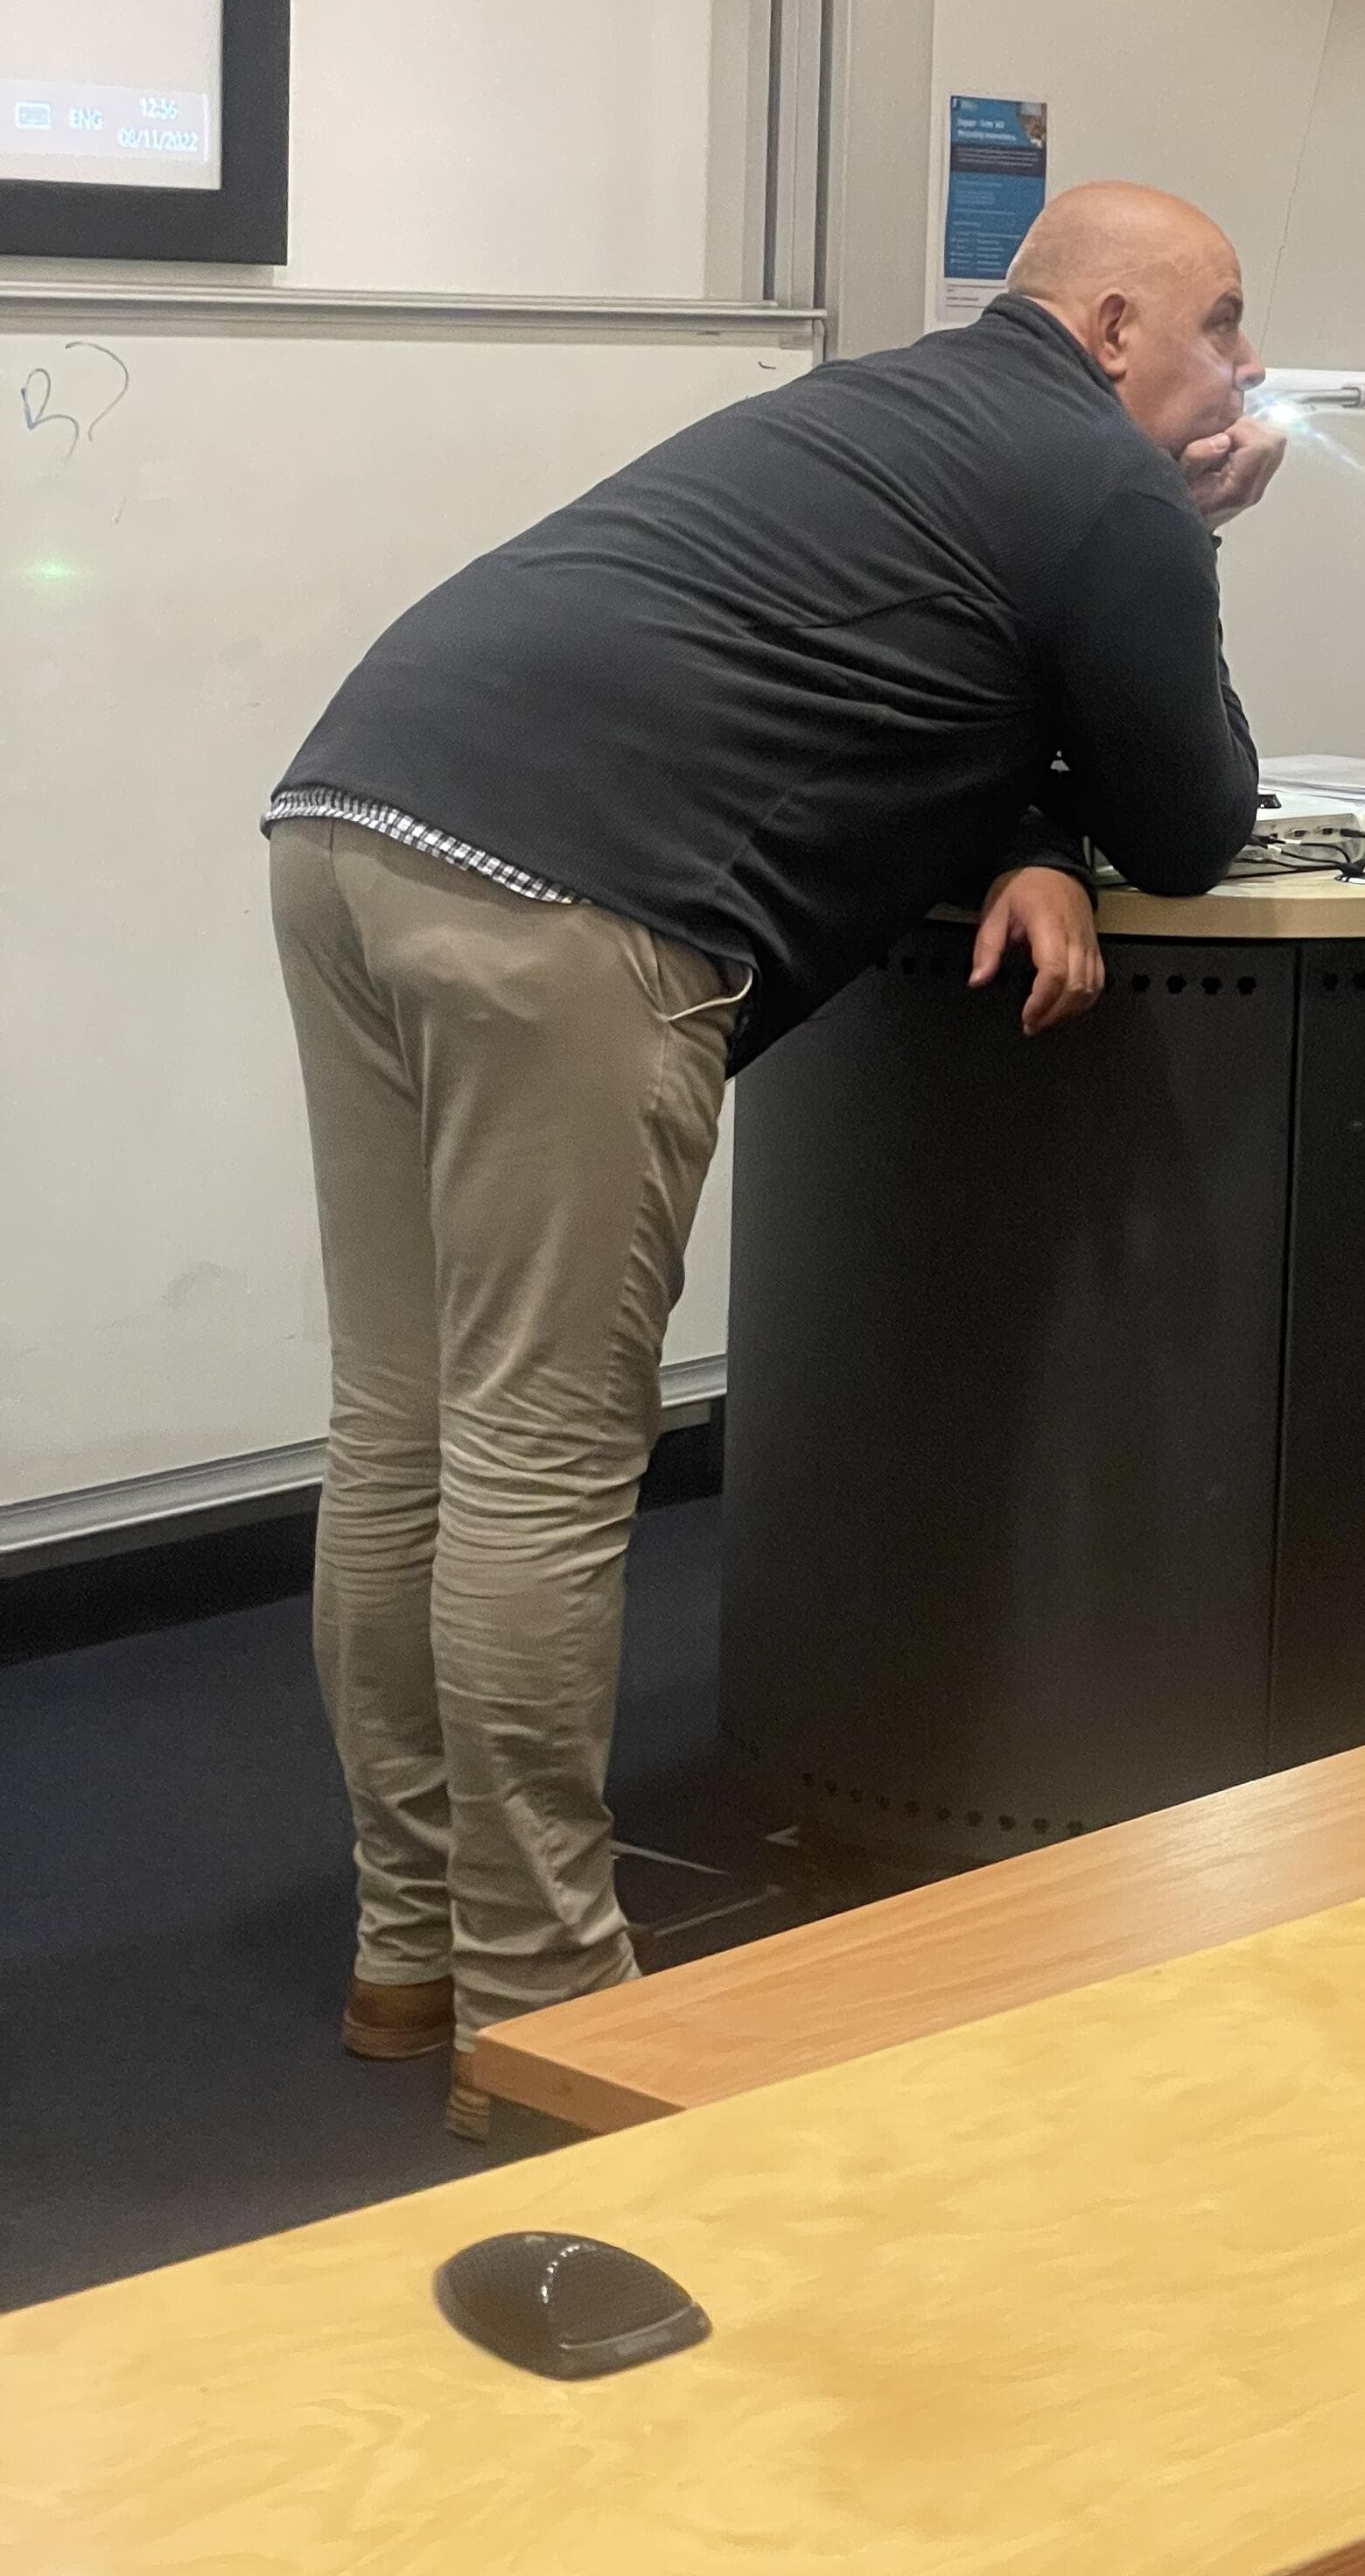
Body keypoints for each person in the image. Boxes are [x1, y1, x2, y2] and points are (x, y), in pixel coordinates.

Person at [265, 184, 1277, 2128]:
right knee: (540, 1459)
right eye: (1223, 325)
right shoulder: (1113, 486)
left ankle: (415, 1950)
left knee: (404, 1432)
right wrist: (1194, 539)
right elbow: (1194, 816)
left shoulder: (894, 408)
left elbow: (936, 684)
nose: (1244, 370)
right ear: (1118, 326)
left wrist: (1029, 830)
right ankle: (549, 2008)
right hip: (571, 901)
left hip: (349, 814)